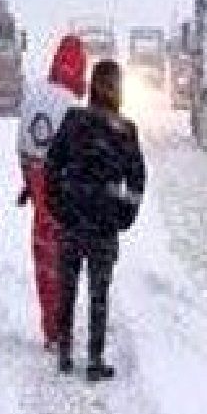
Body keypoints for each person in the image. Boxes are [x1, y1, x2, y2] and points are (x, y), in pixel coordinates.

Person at [45, 59, 145, 381]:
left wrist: (57, 206)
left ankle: (64, 352)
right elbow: (137, 179)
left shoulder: (74, 120)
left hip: (73, 220)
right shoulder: (125, 130)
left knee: (67, 286)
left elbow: (51, 166)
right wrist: (125, 215)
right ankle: (94, 359)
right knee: (98, 293)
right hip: (103, 223)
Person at [15, 34, 86, 349]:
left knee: (43, 259)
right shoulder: (72, 105)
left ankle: (50, 326)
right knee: (64, 260)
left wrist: (28, 182)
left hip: (36, 180)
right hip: (62, 188)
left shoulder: (34, 95)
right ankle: (61, 328)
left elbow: (21, 142)